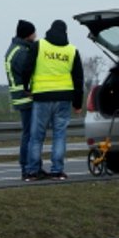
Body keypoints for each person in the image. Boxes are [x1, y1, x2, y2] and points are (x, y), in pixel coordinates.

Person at [21, 19, 83, 182]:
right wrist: (78, 104)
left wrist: (26, 87)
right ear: (66, 33)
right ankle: (57, 171)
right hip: (64, 99)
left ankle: (32, 171)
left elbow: (27, 67)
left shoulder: (39, 45)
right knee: (59, 135)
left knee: (36, 136)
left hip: (41, 97)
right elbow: (78, 79)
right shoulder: (72, 51)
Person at [4, 19, 36, 180]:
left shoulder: (14, 49)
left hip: (20, 98)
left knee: (28, 134)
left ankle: (29, 166)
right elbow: (28, 74)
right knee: (30, 135)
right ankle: (28, 168)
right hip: (26, 98)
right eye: (33, 33)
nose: (35, 36)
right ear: (27, 34)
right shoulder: (22, 52)